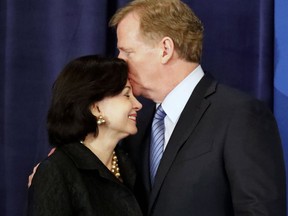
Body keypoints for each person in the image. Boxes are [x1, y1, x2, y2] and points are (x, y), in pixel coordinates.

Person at [109, 0, 286, 215]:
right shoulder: (136, 122)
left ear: (165, 49)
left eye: (127, 52)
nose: (118, 62)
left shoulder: (239, 115)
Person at [27, 55, 143, 216]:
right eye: (126, 95)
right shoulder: (57, 170)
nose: (138, 105)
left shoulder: (128, 164)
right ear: (95, 108)